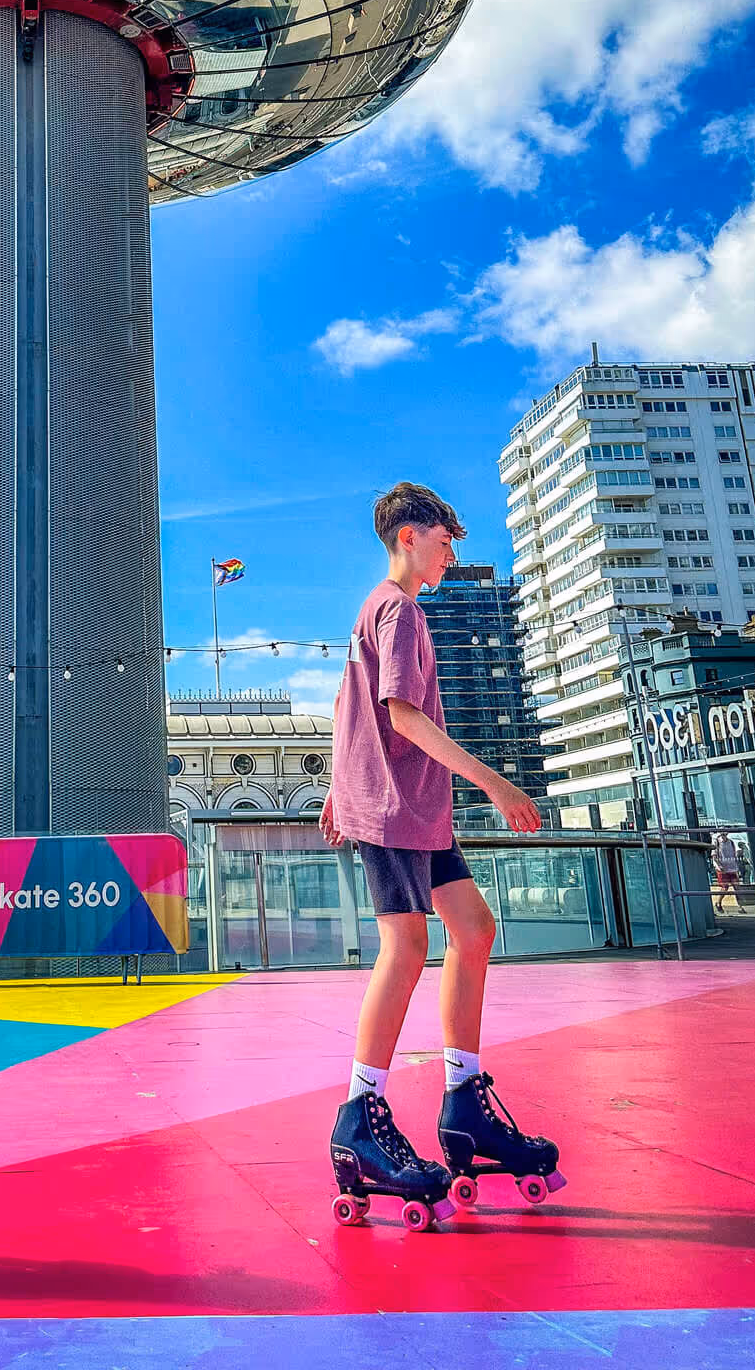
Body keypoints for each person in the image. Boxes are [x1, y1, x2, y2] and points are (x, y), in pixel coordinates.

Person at [320, 483, 564, 1229]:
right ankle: (360, 1115)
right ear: (408, 539)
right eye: (444, 539)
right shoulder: (396, 608)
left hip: (416, 811)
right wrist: (493, 783)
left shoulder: (386, 611)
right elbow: (398, 711)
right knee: (407, 945)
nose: (452, 551)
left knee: (475, 930)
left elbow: (345, 700)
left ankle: (464, 1104)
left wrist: (335, 787)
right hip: (396, 808)